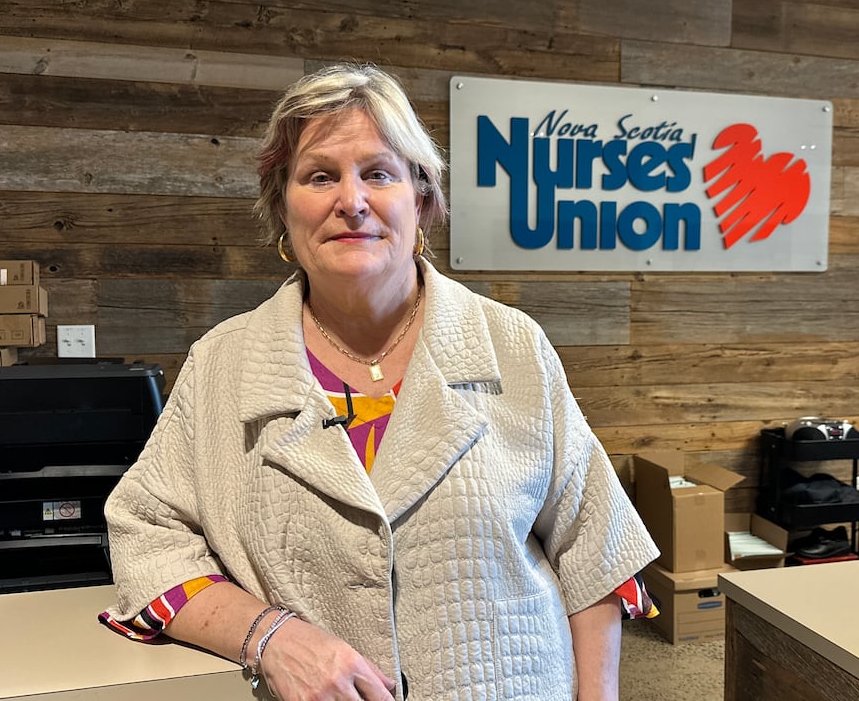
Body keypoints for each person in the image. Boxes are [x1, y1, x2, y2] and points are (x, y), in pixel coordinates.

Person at [101, 62, 659, 700]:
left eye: (378, 173)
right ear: (282, 207)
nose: (351, 201)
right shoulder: (223, 365)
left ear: (420, 198)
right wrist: (269, 635)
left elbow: (595, 547)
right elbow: (146, 533)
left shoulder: (513, 346)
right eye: (319, 176)